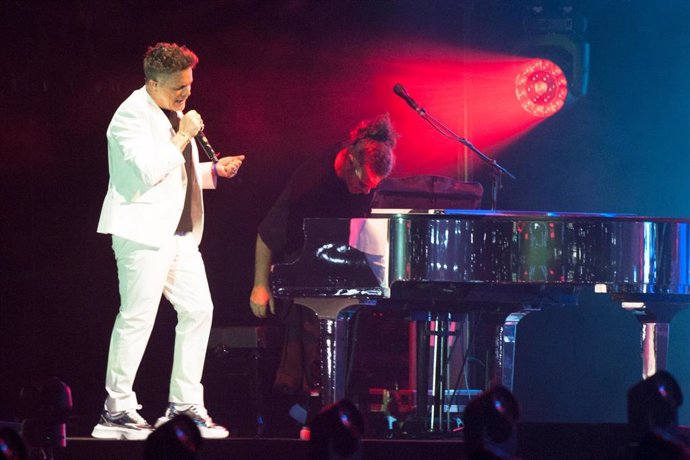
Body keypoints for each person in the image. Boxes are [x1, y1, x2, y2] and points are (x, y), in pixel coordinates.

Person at [93, 42, 244, 440]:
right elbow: (148, 171)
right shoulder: (128, 117)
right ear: (152, 83)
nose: (186, 94)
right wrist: (183, 135)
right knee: (137, 318)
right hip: (140, 233)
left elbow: (179, 173)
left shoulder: (171, 112)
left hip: (177, 234)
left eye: (189, 85)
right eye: (178, 87)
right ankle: (117, 409)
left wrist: (213, 171)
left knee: (199, 310)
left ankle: (185, 405)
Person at [249, 113, 398, 422]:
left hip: (337, 270)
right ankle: (305, 411)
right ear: (350, 162)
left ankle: (329, 407)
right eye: (363, 183)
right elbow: (268, 233)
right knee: (304, 347)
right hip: (299, 267)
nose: (366, 192)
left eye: (374, 187)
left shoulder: (363, 181)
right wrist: (261, 285)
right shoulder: (311, 179)